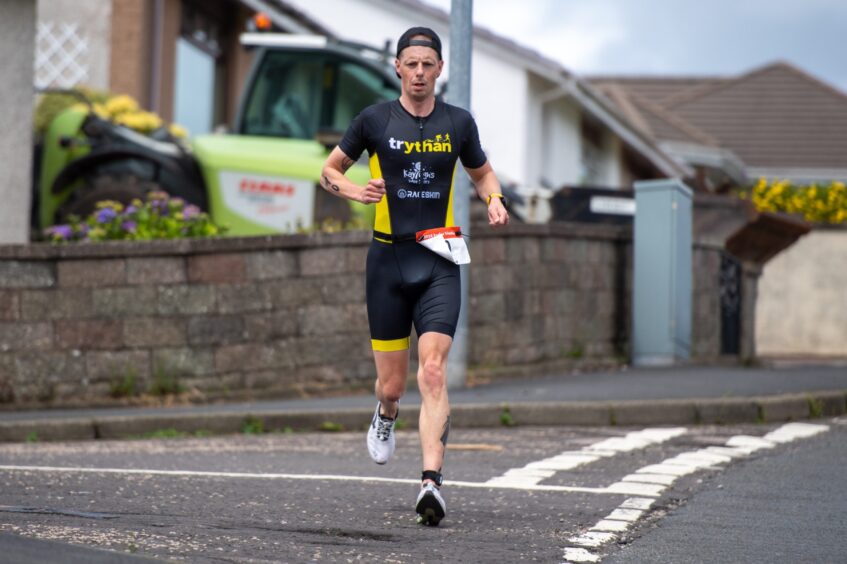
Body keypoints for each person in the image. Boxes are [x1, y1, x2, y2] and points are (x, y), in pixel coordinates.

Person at [320, 26, 508, 526]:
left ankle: (431, 483)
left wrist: (494, 199)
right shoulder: (374, 120)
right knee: (392, 385)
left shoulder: (459, 122)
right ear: (398, 68)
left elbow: (483, 172)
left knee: (432, 370)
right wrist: (353, 190)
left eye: (429, 64)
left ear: (440, 69)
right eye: (411, 64)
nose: (420, 72)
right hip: (386, 260)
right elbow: (329, 170)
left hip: (440, 255)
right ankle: (385, 416)